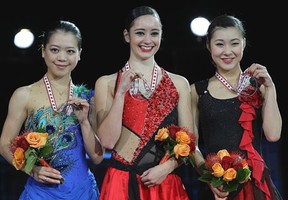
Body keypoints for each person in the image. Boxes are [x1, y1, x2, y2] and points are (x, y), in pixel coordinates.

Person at [94, 5, 203, 200]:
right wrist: (120, 93)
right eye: (140, 33)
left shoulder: (179, 83)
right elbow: (108, 142)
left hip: (165, 183)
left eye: (154, 33)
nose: (147, 40)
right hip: (121, 183)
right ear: (127, 36)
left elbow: (189, 142)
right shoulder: (107, 83)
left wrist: (166, 168)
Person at [0, 20, 104, 200]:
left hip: (83, 193)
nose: (62, 58)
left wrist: (85, 122)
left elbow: (97, 157)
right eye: (55, 50)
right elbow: (4, 144)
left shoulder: (88, 99)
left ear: (79, 54)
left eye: (70, 51)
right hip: (40, 193)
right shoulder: (24, 95)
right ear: (43, 51)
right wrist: (31, 170)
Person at [190, 14, 283, 199]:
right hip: (217, 187)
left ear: (243, 43)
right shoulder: (197, 91)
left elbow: (273, 135)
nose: (227, 51)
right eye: (219, 44)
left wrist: (270, 88)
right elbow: (191, 145)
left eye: (234, 43)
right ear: (209, 46)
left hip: (255, 185)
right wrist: (209, 178)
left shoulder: (260, 86)